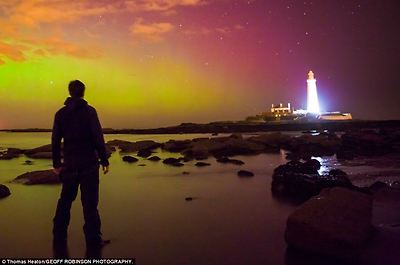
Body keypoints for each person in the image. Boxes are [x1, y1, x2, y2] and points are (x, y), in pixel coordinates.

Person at [52, 80, 110, 247]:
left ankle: (58, 235)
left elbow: (55, 140)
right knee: (90, 204)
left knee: (65, 200)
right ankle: (93, 239)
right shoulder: (90, 112)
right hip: (89, 165)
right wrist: (104, 159)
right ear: (83, 92)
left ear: (70, 92)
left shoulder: (60, 114)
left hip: (70, 164)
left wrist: (57, 164)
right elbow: (98, 137)